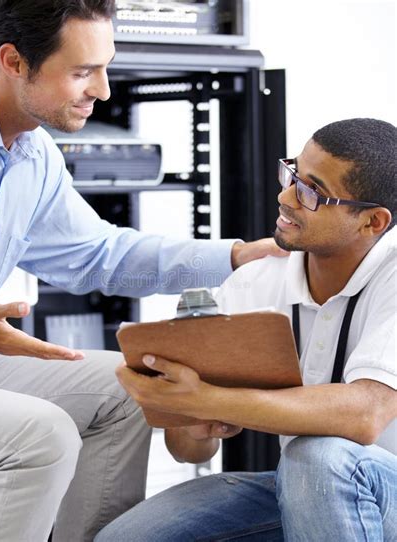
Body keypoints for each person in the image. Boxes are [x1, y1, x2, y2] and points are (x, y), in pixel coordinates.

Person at [0, 1, 284, 541]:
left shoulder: (33, 155)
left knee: (130, 390)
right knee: (40, 437)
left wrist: (233, 256)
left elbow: (101, 255)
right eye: (82, 71)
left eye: (105, 66)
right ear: (14, 61)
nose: (104, 89)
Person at [96, 118, 397, 542]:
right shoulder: (255, 281)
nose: (284, 196)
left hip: (369, 488)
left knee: (318, 457)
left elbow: (366, 414)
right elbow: (188, 451)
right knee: (124, 539)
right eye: (291, 174)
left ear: (373, 222)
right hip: (306, 488)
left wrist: (215, 398)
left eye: (311, 191)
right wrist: (193, 421)